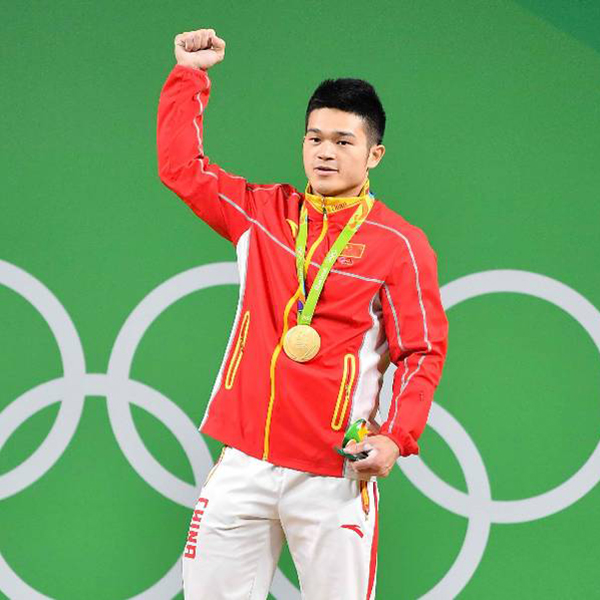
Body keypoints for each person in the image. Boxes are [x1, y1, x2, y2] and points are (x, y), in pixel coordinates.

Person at [156, 27, 449, 600]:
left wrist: (396, 438)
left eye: (342, 141)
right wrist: (190, 76)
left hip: (333, 473)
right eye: (315, 138)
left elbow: (421, 352)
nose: (325, 152)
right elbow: (182, 169)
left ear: (374, 154)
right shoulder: (262, 213)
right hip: (245, 463)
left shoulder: (400, 245)